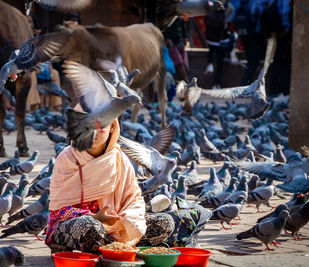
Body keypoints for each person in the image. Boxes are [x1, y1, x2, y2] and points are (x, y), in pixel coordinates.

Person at [45, 108, 211, 253]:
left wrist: (129, 216)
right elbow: (58, 210)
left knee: (165, 222)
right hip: (76, 224)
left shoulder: (120, 159)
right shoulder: (67, 158)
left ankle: (113, 249)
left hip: (116, 226)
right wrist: (96, 217)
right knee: (88, 227)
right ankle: (117, 249)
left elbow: (134, 199)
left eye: (101, 125)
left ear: (112, 127)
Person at [204, 0, 235, 89]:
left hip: (211, 35)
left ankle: (210, 64)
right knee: (220, 62)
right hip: (221, 36)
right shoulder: (229, 7)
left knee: (211, 50)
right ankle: (216, 84)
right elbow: (230, 20)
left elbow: (206, 9)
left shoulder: (211, 3)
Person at [164, 16, 190, 83]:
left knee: (184, 64)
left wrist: (185, 38)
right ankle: (186, 81)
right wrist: (166, 38)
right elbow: (163, 29)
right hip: (171, 44)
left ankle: (182, 83)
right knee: (179, 63)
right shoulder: (167, 17)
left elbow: (183, 29)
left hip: (180, 43)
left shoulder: (181, 18)